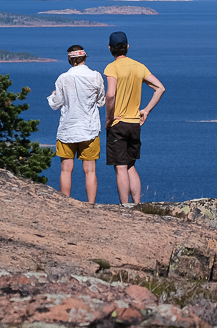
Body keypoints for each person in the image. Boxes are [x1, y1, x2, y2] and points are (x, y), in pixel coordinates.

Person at [102, 30, 165, 205]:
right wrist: (146, 110)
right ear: (127, 47)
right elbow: (160, 88)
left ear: (110, 48)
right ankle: (137, 205)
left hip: (118, 123)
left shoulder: (111, 68)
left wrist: (109, 118)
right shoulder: (139, 67)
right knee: (130, 165)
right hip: (135, 123)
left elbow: (111, 94)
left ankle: (124, 206)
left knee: (120, 167)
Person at [46, 43, 105, 203]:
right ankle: (91, 204)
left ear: (69, 60)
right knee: (90, 171)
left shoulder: (63, 78)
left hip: (67, 129)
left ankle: (66, 204)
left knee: (65, 170)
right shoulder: (95, 76)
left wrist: (53, 95)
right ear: (85, 57)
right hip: (89, 129)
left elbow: (55, 103)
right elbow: (101, 102)